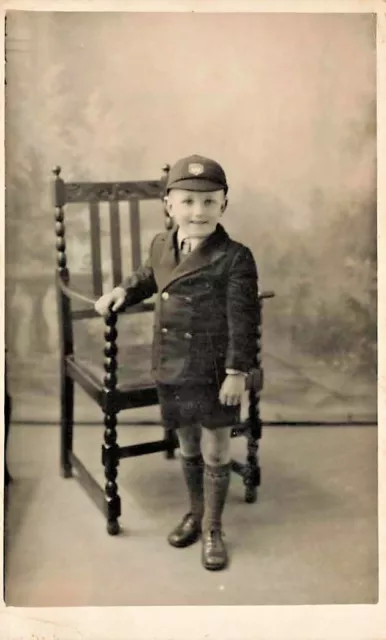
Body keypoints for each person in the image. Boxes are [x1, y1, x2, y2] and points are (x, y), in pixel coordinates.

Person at [95, 154, 259, 571]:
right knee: (187, 444)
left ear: (224, 204)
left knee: (217, 452)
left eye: (209, 202)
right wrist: (121, 291)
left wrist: (237, 373)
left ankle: (213, 529)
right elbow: (149, 276)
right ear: (169, 205)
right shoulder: (161, 244)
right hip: (172, 364)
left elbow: (243, 322)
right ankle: (195, 512)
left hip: (214, 372)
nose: (197, 212)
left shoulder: (235, 257)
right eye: (187, 202)